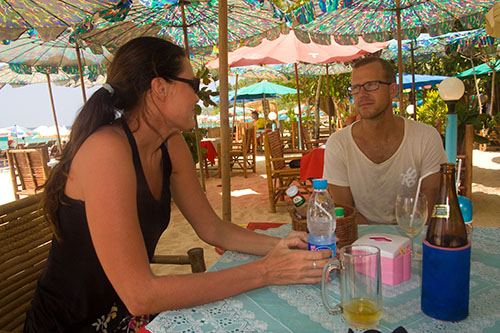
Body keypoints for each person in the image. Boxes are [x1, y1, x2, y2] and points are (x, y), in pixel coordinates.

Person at [24, 37, 331, 332]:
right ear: (159, 88)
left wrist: (280, 245)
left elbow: (213, 229)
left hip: (122, 312)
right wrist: (267, 271)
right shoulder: (106, 150)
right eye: (193, 85)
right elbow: (140, 294)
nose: (198, 97)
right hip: (74, 323)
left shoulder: (171, 145)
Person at [323, 57, 447, 225]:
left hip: (412, 234)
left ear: (392, 90)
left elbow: (429, 202)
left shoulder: (426, 137)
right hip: (361, 240)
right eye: (356, 88)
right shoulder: (338, 144)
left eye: (371, 85)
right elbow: (344, 210)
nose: (362, 94)